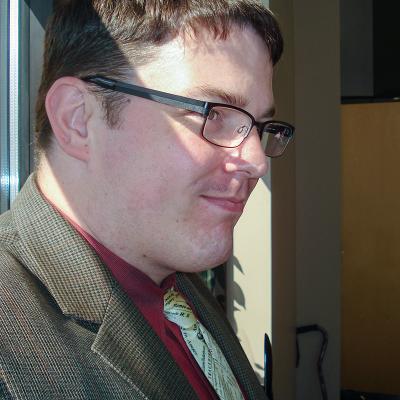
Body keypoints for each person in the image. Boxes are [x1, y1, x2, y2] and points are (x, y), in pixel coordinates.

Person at [0, 1, 294, 399]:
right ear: (77, 118)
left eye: (259, 127)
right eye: (214, 114)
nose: (258, 162)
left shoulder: (175, 282)